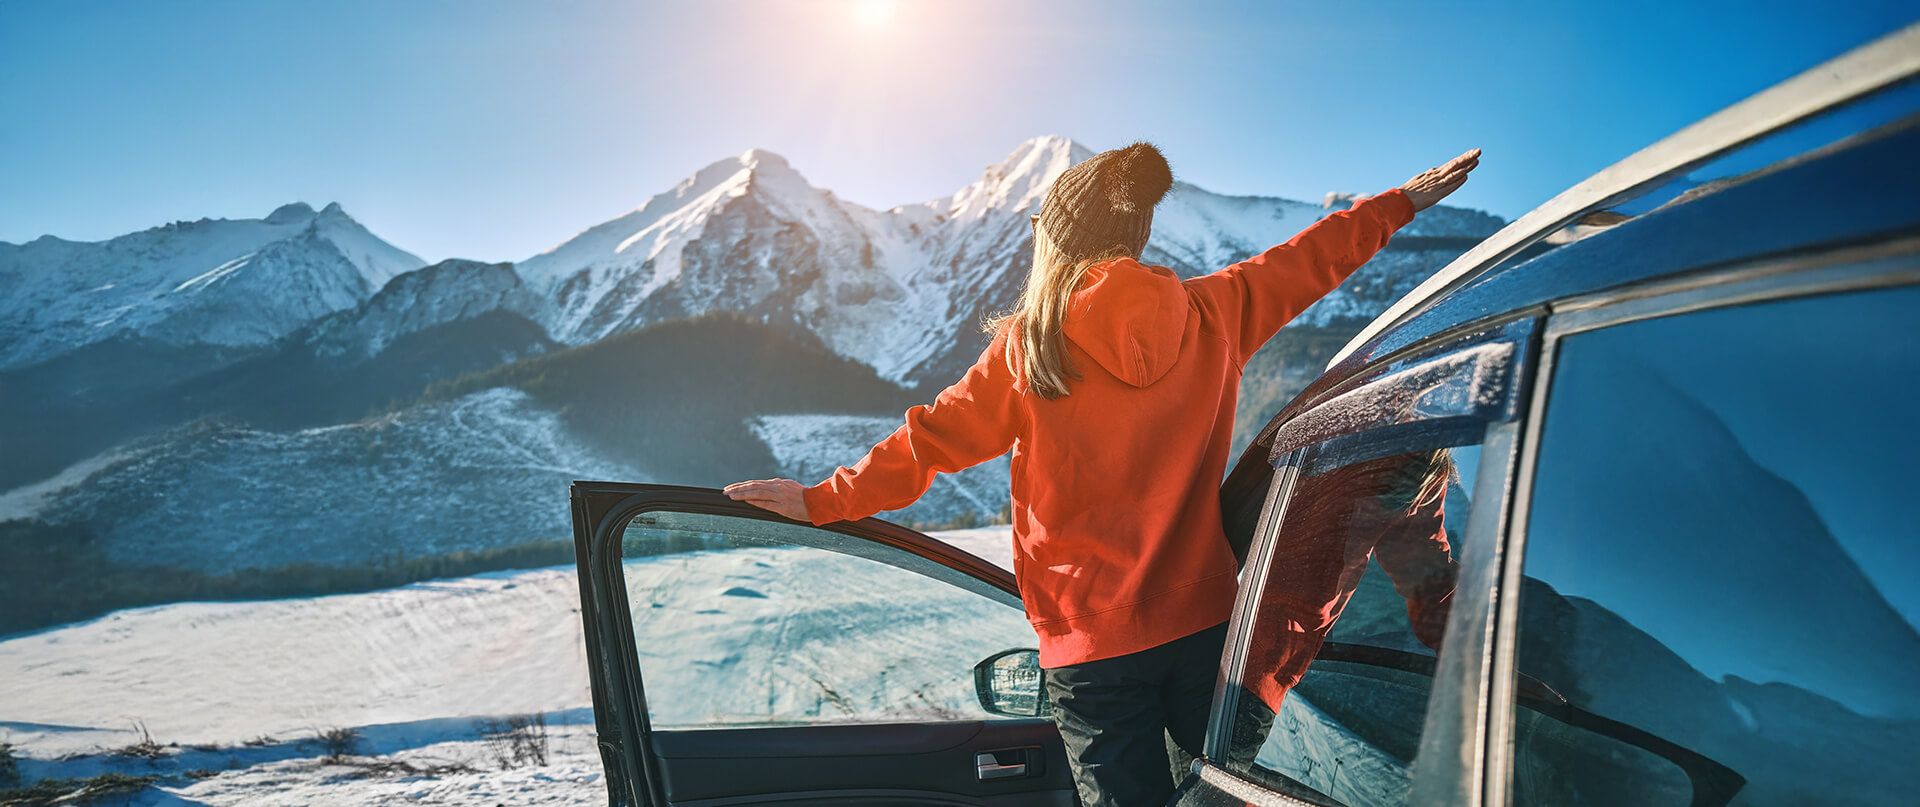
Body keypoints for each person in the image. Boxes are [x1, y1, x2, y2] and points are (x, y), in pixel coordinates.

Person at [725, 141, 1480, 805]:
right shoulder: (1217, 310)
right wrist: (1398, 203)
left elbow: (925, 447)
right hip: (1206, 630)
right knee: (1217, 797)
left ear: (1057, 242)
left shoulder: (1030, 351)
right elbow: (1314, 257)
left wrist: (822, 499)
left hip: (1092, 654)